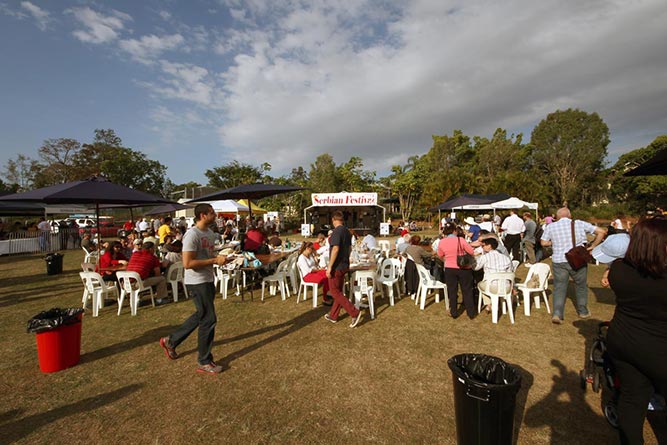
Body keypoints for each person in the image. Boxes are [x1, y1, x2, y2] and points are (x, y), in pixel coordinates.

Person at [605, 217, 667, 445]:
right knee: (632, 398)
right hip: (658, 349)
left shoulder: (619, 270)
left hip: (624, 342)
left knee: (632, 399)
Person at [159, 204, 230, 375]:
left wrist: (222, 258)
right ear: (203, 215)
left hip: (207, 279)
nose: (216, 214)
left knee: (201, 314)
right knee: (209, 319)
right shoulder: (192, 235)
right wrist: (214, 261)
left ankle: (171, 341)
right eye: (213, 212)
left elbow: (207, 255)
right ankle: (204, 361)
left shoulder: (210, 234)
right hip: (196, 282)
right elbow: (188, 263)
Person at [540, 207, 604, 324]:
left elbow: (543, 242)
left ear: (557, 217)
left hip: (559, 260)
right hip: (577, 259)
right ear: (569, 215)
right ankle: (583, 311)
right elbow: (601, 232)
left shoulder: (551, 226)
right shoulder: (579, 224)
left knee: (559, 287)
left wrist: (554, 242)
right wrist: (593, 246)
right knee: (580, 285)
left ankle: (557, 314)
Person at [325, 210, 363, 327]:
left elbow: (335, 249)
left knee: (335, 292)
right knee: (338, 291)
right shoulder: (347, 232)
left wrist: (330, 267)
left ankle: (354, 312)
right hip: (344, 265)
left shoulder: (336, 232)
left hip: (337, 266)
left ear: (333, 220)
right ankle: (333, 315)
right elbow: (350, 248)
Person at [438, 222, 476, 319]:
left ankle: (454, 311)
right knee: (467, 290)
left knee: (452, 290)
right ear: (455, 230)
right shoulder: (461, 240)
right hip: (463, 268)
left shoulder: (442, 242)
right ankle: (471, 312)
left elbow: (440, 255)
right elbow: (471, 252)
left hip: (450, 268)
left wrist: (447, 260)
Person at [473, 237, 513, 312]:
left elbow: (476, 268)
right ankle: (494, 304)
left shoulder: (485, 257)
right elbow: (510, 272)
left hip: (492, 286)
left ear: (489, 246)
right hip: (506, 287)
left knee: (481, 284)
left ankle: (489, 304)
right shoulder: (506, 258)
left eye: (483, 245)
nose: (482, 247)